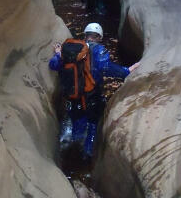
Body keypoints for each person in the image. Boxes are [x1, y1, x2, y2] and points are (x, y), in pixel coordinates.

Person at [49, 23, 140, 159]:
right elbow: (107, 68)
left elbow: (53, 65)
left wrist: (58, 54)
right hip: (91, 98)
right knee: (92, 127)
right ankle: (88, 156)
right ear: (99, 37)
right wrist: (127, 71)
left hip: (72, 98)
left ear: (85, 35)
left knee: (77, 127)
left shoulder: (72, 51)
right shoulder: (99, 51)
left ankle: (70, 155)